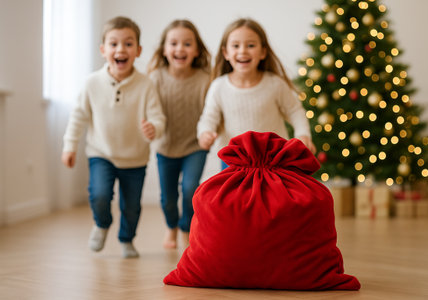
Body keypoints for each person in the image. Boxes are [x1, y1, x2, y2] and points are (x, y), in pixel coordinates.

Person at [61, 16, 166, 258]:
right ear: (103, 50)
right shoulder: (91, 83)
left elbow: (158, 117)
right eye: (114, 44)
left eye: (128, 44)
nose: (121, 49)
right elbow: (78, 116)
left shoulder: (146, 85)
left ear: (138, 50)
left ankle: (127, 239)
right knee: (99, 195)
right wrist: (70, 146)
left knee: (131, 207)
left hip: (135, 158)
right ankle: (102, 223)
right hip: (101, 153)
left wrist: (154, 128)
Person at [197, 18, 316, 168]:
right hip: (234, 161)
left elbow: (295, 111)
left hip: (274, 158)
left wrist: (302, 135)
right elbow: (208, 118)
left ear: (263, 52)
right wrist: (205, 133)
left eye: (251, 45)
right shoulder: (218, 87)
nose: (243, 51)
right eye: (235, 46)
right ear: (226, 53)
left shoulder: (275, 84)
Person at [147, 20, 210, 249]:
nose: (180, 48)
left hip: (195, 146)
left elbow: (212, 112)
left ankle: (185, 227)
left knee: (191, 188)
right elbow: (147, 111)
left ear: (196, 50)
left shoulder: (205, 79)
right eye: (173, 43)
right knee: (168, 197)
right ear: (164, 49)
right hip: (166, 146)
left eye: (187, 43)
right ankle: (170, 226)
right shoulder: (155, 78)